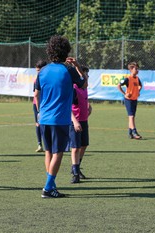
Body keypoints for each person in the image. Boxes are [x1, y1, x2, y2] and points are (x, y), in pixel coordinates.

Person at [35, 35, 87, 198]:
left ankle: (51, 185)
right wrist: (77, 65)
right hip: (59, 119)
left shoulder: (42, 71)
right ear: (66, 52)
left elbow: (37, 93)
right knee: (58, 153)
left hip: (44, 118)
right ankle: (48, 187)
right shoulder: (68, 70)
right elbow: (83, 84)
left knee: (48, 152)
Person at [69, 65, 92, 183]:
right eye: (85, 74)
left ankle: (76, 167)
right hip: (75, 122)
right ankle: (75, 173)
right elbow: (68, 107)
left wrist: (89, 107)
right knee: (75, 147)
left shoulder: (84, 88)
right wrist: (75, 121)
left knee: (84, 145)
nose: (87, 76)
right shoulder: (74, 88)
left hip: (84, 120)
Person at [117, 62, 142, 139]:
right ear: (131, 69)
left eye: (138, 69)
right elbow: (118, 85)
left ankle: (130, 133)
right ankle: (134, 132)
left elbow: (140, 85)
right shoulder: (127, 79)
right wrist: (125, 93)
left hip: (134, 99)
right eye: (136, 69)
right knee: (131, 116)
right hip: (128, 100)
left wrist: (138, 91)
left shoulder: (137, 78)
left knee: (132, 117)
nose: (137, 70)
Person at [33, 60, 47, 152]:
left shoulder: (47, 79)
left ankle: (48, 144)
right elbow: (36, 94)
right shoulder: (36, 80)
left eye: (39, 70)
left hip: (46, 104)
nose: (38, 72)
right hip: (37, 105)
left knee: (47, 124)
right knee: (38, 124)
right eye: (37, 71)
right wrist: (38, 110)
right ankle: (39, 144)